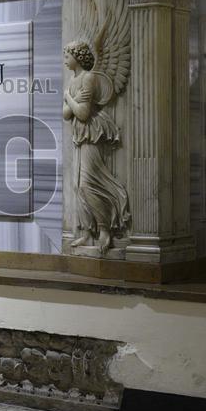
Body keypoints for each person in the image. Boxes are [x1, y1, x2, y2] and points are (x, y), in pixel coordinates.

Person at [62, 40, 130, 253]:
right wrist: (72, 100)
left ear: (78, 56)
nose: (65, 58)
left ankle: (105, 230)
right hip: (79, 136)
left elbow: (82, 114)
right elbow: (66, 115)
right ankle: (85, 232)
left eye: (68, 54)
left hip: (91, 134)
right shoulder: (73, 81)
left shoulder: (88, 77)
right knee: (77, 185)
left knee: (88, 183)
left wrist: (68, 98)